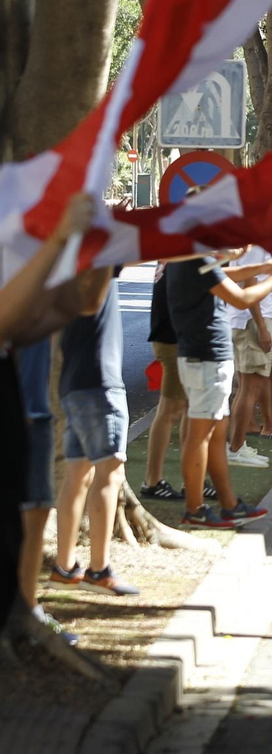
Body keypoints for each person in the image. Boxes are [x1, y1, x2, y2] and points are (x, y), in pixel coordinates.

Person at [4, 193, 106, 646]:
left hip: (28, 407)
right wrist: (58, 240)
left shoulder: (32, 252)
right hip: (21, 406)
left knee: (33, 510)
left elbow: (78, 305)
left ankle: (26, 612)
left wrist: (104, 253)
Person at [167, 242, 272, 528]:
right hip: (205, 357)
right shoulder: (191, 255)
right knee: (201, 437)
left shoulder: (192, 255)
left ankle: (228, 504)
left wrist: (261, 267)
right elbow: (243, 298)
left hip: (207, 357)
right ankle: (195, 508)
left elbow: (225, 273)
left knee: (213, 437)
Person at [48, 265, 140, 597]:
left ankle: (65, 566)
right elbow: (156, 245)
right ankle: (99, 569)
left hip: (73, 383)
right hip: (100, 383)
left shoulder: (60, 270)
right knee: (110, 472)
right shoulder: (97, 258)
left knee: (79, 474)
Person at [225, 245, 272, 467]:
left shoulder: (250, 242)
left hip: (245, 320)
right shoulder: (253, 245)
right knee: (249, 388)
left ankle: (238, 445)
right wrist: (262, 328)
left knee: (246, 388)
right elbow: (249, 284)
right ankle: (236, 448)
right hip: (251, 321)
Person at [140, 261, 189, 500]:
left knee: (188, 407)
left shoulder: (179, 251)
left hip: (176, 336)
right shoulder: (182, 253)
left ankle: (193, 477)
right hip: (172, 338)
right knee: (171, 408)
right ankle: (153, 480)